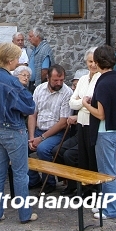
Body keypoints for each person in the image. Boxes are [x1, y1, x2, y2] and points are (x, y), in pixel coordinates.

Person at [0, 42, 37, 224]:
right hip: (13, 130)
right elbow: (29, 106)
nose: (19, 61)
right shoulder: (11, 81)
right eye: (16, 58)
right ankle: (24, 214)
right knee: (21, 173)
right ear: (9, 60)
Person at [81, 44, 116, 220]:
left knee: (107, 172)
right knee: (110, 168)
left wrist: (86, 104)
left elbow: (100, 114)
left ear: (99, 62)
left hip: (105, 132)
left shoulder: (103, 82)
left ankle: (112, 209)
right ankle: (107, 204)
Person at [27, 64, 73, 193]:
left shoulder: (67, 92)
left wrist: (41, 138)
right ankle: (33, 179)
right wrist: (31, 137)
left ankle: (49, 182)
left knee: (43, 149)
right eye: (55, 80)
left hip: (57, 132)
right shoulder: (39, 89)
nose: (59, 83)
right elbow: (32, 114)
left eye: (61, 80)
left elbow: (63, 122)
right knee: (20, 146)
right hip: (38, 129)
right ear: (47, 78)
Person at [69, 47, 100, 191]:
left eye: (95, 61)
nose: (92, 65)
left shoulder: (100, 79)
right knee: (83, 158)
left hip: (93, 123)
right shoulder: (82, 79)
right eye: (90, 61)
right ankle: (85, 190)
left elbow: (93, 103)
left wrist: (82, 102)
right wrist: (83, 102)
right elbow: (72, 102)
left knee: (93, 158)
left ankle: (94, 190)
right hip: (81, 122)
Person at [27, 27, 54, 91]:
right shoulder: (36, 49)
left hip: (38, 85)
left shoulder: (44, 50)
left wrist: (37, 84)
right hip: (32, 83)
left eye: (31, 36)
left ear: (38, 37)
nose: (29, 38)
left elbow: (45, 71)